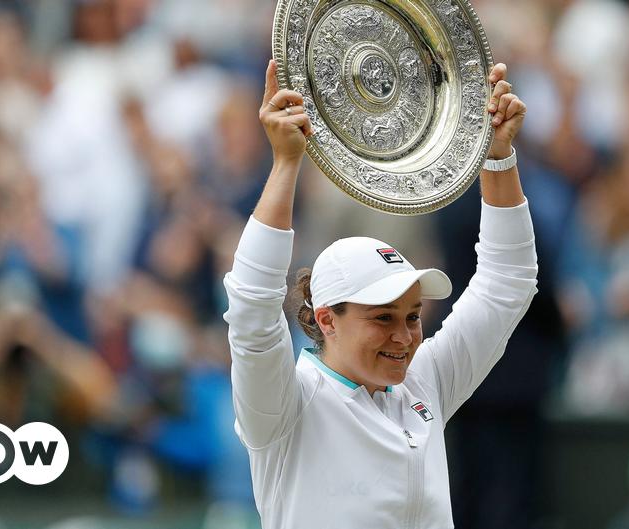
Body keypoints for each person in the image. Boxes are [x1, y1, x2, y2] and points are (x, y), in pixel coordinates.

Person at [223, 59, 536, 528]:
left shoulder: (423, 381)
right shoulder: (285, 404)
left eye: (411, 316)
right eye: (382, 317)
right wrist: (287, 163)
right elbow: (251, 307)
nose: (406, 336)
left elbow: (506, 283)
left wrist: (497, 156)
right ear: (327, 319)